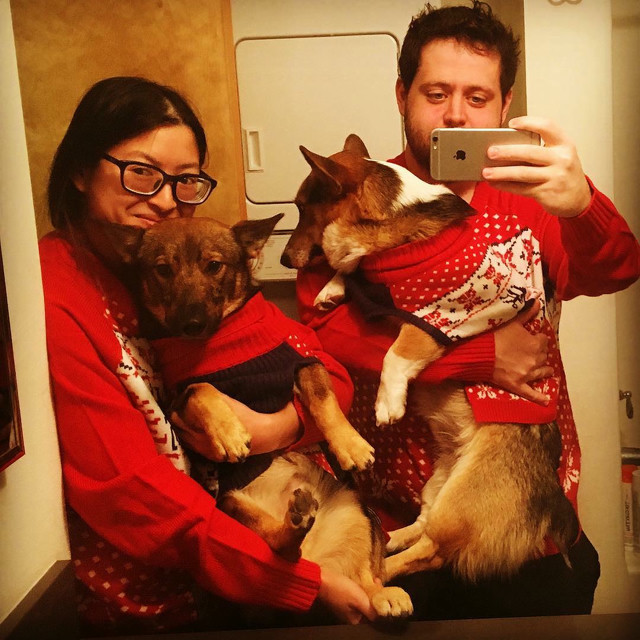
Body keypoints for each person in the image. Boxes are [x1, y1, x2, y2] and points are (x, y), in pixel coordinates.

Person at [296, 2, 640, 620]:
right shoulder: (355, 194)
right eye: (436, 92)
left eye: (477, 97)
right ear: (403, 95)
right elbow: (321, 329)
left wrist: (582, 204)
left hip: (526, 531)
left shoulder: (536, 193)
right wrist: (480, 355)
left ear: (504, 106)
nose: (455, 113)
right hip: (395, 529)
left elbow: (618, 267)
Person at [40, 76, 375, 636]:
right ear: (78, 169)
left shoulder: (169, 264)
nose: (168, 199)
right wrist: (295, 583)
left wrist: (274, 428)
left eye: (185, 180)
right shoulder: (55, 294)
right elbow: (129, 492)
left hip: (234, 572)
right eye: (141, 172)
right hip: (150, 604)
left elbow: (326, 373)